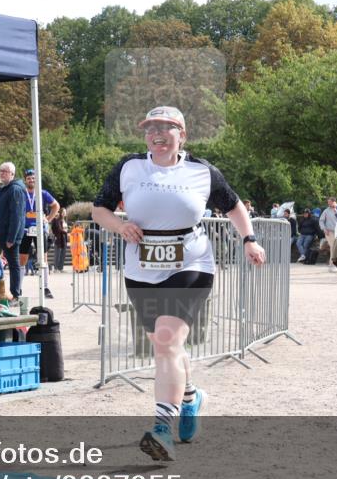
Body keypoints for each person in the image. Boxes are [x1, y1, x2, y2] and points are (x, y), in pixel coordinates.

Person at [91, 106, 265, 461]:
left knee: (167, 341)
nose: (157, 134)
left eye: (166, 128)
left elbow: (233, 207)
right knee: (165, 346)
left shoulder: (202, 171)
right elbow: (99, 208)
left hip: (191, 262)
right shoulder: (129, 167)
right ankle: (190, 398)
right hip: (141, 267)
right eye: (150, 129)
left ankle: (161, 429)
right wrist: (119, 226)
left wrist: (249, 239)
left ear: (181, 134)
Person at [21, 168, 61, 299]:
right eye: (29, 178)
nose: (31, 180)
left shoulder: (42, 193)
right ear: (25, 180)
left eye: (33, 178)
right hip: (25, 229)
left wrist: (48, 219)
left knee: (43, 258)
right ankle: (19, 288)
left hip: (40, 229)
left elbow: (56, 205)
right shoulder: (22, 193)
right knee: (22, 259)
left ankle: (45, 287)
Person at [0, 162, 27, 302]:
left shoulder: (15, 190)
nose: (2, 173)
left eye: (5, 171)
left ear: (12, 174)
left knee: (14, 264)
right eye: (1, 171)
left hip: (10, 236)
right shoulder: (1, 190)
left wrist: (12, 238)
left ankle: (15, 294)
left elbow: (16, 216)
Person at [319, 197, 337, 273]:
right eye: (328, 202)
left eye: (330, 202)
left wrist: (336, 212)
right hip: (329, 232)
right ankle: (332, 265)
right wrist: (324, 229)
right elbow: (321, 221)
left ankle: (332, 264)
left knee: (336, 248)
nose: (329, 204)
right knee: (333, 247)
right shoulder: (326, 211)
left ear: (334, 202)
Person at [50, 207, 70, 272]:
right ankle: (55, 268)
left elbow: (65, 228)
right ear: (61, 213)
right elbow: (59, 229)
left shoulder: (65, 220)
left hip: (64, 238)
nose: (65, 213)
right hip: (58, 238)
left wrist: (67, 232)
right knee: (57, 254)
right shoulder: (57, 220)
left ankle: (60, 268)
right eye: (63, 212)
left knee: (63, 254)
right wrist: (66, 232)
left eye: (65, 212)